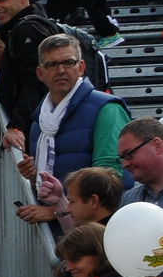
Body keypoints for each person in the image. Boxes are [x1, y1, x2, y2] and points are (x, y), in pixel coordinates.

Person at [15, 34, 130, 227]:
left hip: (103, 230)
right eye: (51, 64)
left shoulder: (106, 108)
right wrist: (34, 175)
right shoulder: (38, 122)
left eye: (68, 62)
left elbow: (109, 177)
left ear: (81, 67)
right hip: (65, 231)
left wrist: (56, 211)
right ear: (40, 73)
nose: (60, 70)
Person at [0, 0, 58, 149]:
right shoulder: (21, 28)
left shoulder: (28, 30)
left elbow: (35, 81)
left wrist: (17, 126)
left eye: (2, 0)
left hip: (37, 131)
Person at [118, 117, 163, 206]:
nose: (124, 165)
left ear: (157, 145)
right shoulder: (128, 200)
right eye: (122, 158)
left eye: (128, 154)